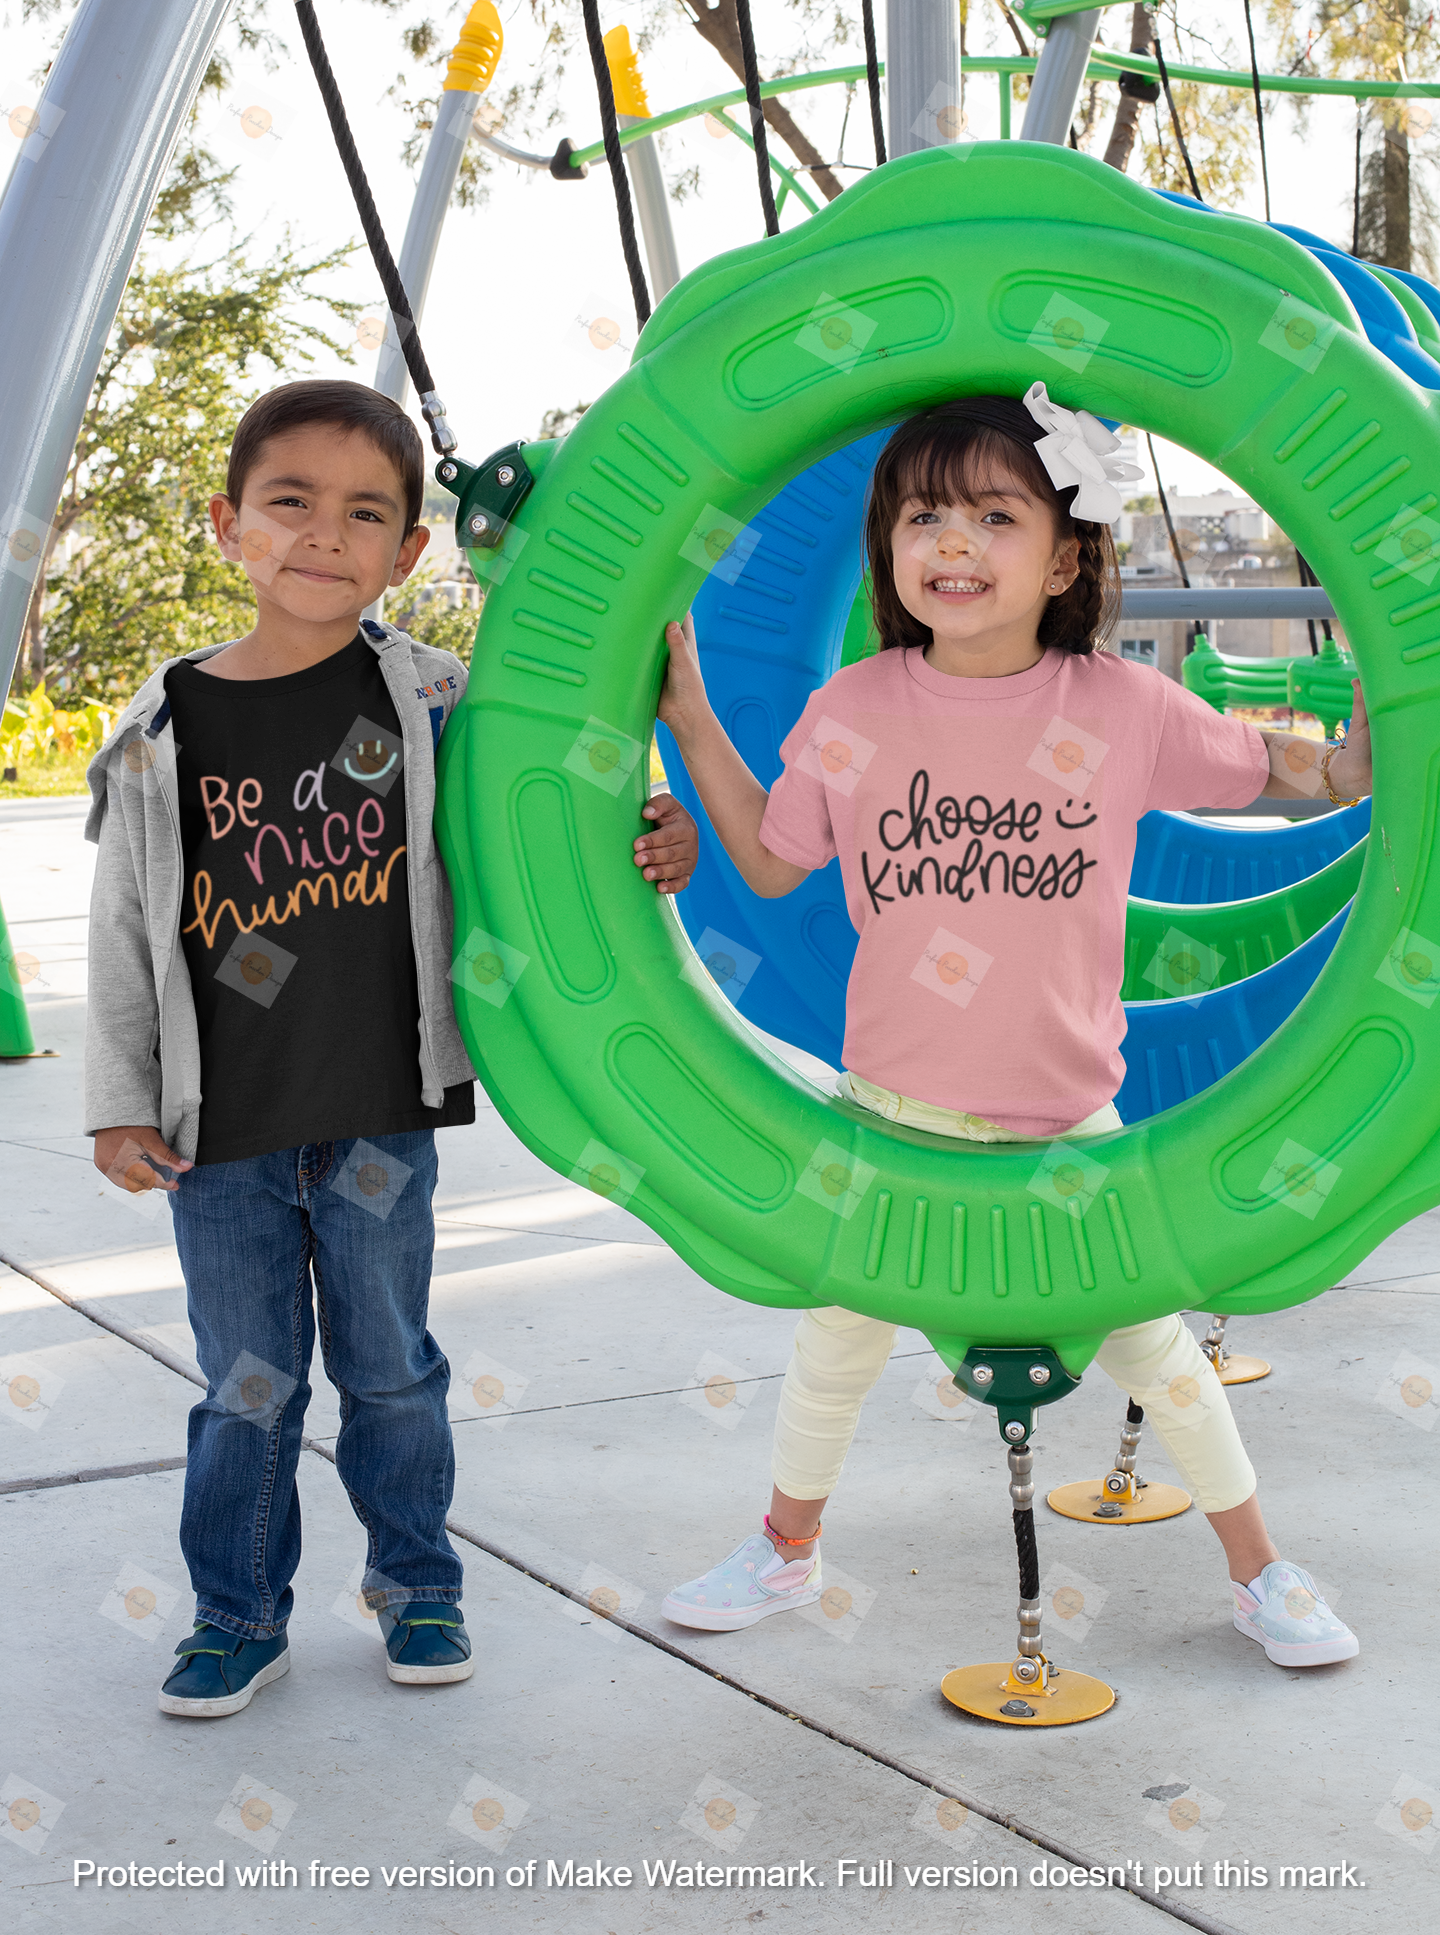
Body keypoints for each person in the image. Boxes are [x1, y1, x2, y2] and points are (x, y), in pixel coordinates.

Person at [653, 384, 1367, 1670]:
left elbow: (1292, 774)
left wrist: (1374, 722)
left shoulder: (1120, 709)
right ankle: (786, 1548)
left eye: (995, 513)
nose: (955, 544)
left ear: (1069, 553)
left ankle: (1262, 1571)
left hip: (1066, 1116)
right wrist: (689, 715)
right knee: (835, 1344)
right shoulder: (857, 709)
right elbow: (768, 860)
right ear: (887, 551)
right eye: (923, 515)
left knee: (1158, 1355)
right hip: (891, 1107)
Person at [84, 379, 698, 1717]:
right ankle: (236, 1613)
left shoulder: (435, 699)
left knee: (391, 1367)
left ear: (412, 550)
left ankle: (418, 1580)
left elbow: (552, 808)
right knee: (246, 1386)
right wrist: (118, 1102)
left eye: (368, 512)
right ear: (226, 524)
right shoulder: (164, 723)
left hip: (375, 1116)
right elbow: (127, 927)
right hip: (217, 1135)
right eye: (289, 502)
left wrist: (658, 829)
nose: (326, 534)